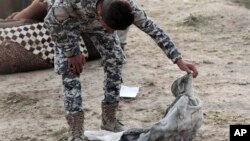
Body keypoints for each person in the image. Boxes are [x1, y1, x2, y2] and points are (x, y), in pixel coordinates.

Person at [17, 0, 198, 140]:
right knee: (70, 69)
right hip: (65, 23)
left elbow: (152, 28)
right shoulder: (67, 3)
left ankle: (109, 121)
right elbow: (51, 22)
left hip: (95, 21)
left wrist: (177, 59)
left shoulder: (126, 6)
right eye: (109, 28)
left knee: (115, 58)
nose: (111, 33)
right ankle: (76, 132)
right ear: (100, 15)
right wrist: (71, 52)